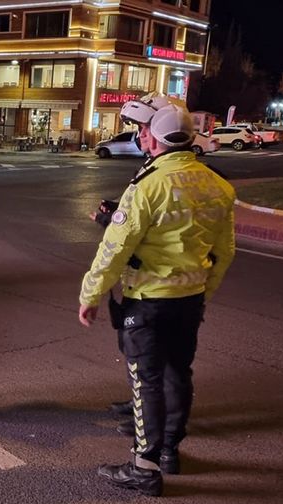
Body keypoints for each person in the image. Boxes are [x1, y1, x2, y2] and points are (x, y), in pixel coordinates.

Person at [78, 103, 236, 497]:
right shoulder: (219, 186)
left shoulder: (147, 186)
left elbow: (114, 249)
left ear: (159, 138)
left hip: (147, 299)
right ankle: (169, 452)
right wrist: (203, 292)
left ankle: (144, 468)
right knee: (178, 373)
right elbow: (225, 251)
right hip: (189, 300)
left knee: (146, 381)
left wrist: (91, 294)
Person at [89, 93, 190, 437]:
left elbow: (134, 233)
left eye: (146, 129)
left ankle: (155, 435)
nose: (141, 136)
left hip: (155, 289)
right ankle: (149, 418)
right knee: (154, 368)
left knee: (158, 370)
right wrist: (114, 212)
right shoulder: (161, 169)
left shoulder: (162, 176)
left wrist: (91, 293)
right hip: (167, 288)